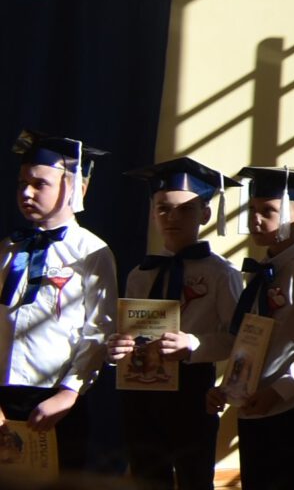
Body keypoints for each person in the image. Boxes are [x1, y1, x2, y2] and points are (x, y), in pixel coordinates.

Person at [109, 157, 245, 490]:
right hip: (141, 386)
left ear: (205, 214)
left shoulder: (221, 273)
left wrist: (194, 345)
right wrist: (117, 345)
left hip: (192, 388)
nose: (172, 218)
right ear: (153, 214)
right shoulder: (140, 274)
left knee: (193, 474)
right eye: (163, 209)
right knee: (146, 474)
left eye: (185, 210)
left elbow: (236, 337)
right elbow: (129, 330)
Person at [210, 165, 294, 490]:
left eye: (267, 211)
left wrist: (278, 391)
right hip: (255, 404)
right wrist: (230, 387)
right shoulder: (263, 271)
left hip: (291, 408)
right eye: (252, 209)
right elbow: (252, 338)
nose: (255, 219)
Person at [0, 130, 116, 473]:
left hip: (55, 398)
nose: (26, 192)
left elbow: (99, 329)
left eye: (39, 184)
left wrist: (69, 392)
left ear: (75, 188)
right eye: (22, 183)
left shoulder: (91, 252)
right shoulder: (8, 248)